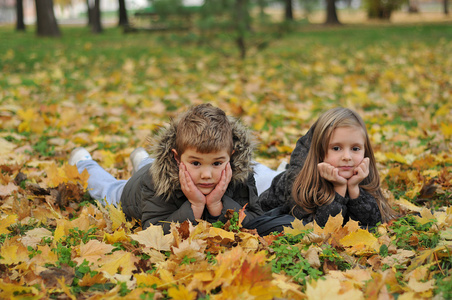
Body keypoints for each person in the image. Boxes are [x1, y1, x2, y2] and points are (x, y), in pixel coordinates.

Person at [69, 103, 266, 233]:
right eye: (196, 163)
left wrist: (217, 205)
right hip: (133, 193)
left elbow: (256, 219)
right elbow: (154, 230)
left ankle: (142, 159)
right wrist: (195, 207)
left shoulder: (240, 174)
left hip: (157, 173)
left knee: (149, 166)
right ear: (177, 157)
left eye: (216, 163)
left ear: (230, 157)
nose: (207, 175)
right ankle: (83, 162)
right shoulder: (155, 182)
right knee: (108, 189)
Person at [257, 107, 396, 232]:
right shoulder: (299, 183)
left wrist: (354, 189)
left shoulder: (360, 172)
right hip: (266, 186)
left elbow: (373, 223)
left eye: (355, 148)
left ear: (365, 151)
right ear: (320, 152)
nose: (347, 157)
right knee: (257, 173)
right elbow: (321, 229)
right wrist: (339, 188)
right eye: (336, 148)